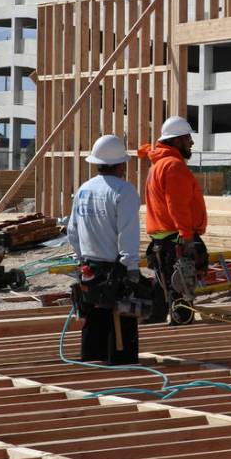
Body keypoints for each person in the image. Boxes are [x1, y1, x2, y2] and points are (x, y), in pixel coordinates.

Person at [67, 135, 148, 364]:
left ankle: (92, 364)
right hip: (116, 267)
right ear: (121, 164)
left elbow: (72, 230)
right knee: (122, 322)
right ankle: (121, 369)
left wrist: (80, 259)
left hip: (90, 267)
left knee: (94, 317)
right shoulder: (124, 191)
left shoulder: (84, 190)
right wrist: (131, 267)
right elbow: (127, 233)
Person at [138, 116, 208, 326]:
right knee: (181, 288)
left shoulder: (159, 164)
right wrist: (187, 238)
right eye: (188, 138)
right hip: (176, 237)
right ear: (177, 141)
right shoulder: (174, 166)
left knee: (165, 286)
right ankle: (180, 333)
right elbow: (176, 205)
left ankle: (154, 322)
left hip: (162, 238)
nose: (191, 143)